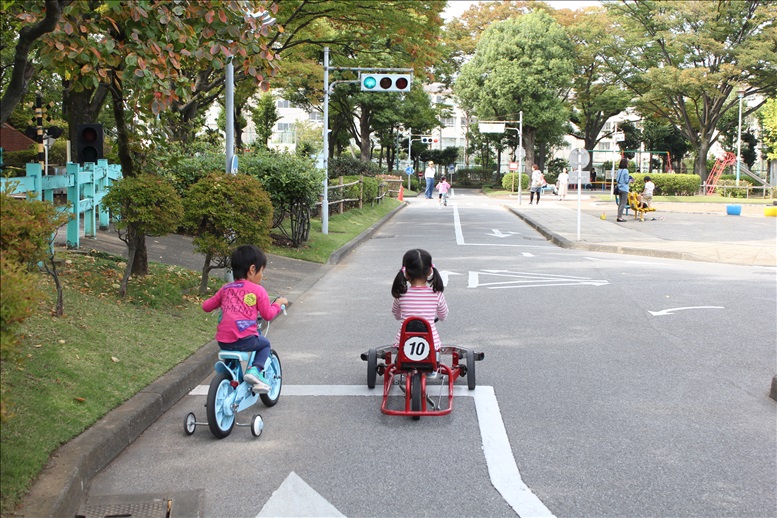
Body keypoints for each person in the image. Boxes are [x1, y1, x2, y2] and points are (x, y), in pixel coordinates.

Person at [202, 244, 288, 393]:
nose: (262, 275)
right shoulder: (258, 290)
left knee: (233, 353)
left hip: (223, 341)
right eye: (262, 271)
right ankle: (255, 370)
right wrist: (277, 304)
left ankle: (230, 380)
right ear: (252, 270)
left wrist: (222, 303)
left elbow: (206, 306)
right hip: (245, 339)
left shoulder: (225, 289)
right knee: (265, 344)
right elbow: (267, 315)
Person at [391, 249, 448, 373]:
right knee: (434, 345)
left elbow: (395, 313)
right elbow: (443, 314)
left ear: (406, 273)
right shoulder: (436, 293)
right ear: (429, 271)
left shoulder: (401, 294)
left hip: (403, 342)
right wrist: (441, 318)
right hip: (431, 343)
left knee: (401, 349)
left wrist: (400, 316)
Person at [615, 157, 630, 222]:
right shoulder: (626, 171)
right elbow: (626, 181)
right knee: (624, 203)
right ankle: (620, 217)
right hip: (624, 188)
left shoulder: (619, 170)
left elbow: (617, 179)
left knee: (620, 203)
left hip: (619, 187)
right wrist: (630, 180)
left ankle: (618, 215)